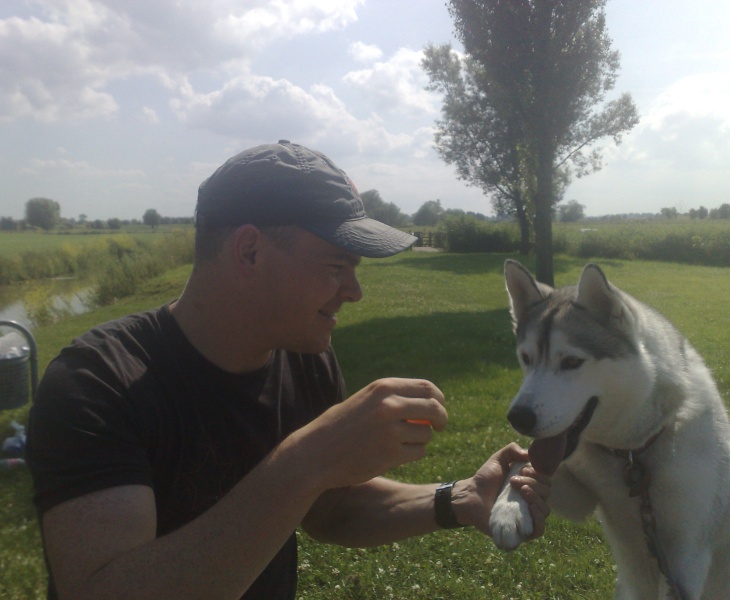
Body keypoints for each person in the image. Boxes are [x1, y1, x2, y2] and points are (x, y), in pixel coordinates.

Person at [25, 141, 550, 600]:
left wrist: (458, 499)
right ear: (249, 251)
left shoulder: (306, 356)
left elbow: (326, 509)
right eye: (335, 265)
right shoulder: (98, 383)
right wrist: (307, 459)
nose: (355, 291)